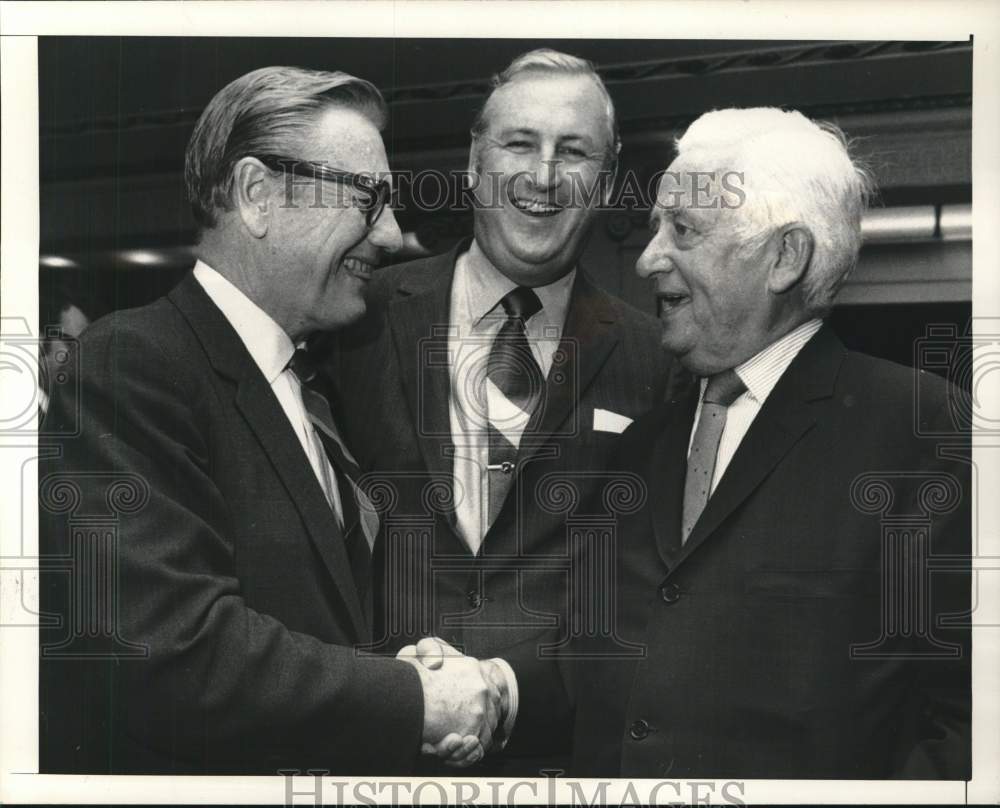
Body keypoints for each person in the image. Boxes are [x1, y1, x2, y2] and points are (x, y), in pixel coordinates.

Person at [457, 106, 970, 777]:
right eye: (653, 229)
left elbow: (968, 727)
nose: (646, 259)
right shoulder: (644, 443)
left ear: (784, 257)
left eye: (683, 231)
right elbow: (600, 657)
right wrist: (492, 687)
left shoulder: (923, 431)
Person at [38, 66, 501, 775]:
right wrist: (415, 699)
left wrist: (399, 668)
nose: (391, 233)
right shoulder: (132, 364)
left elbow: (312, 619)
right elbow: (173, 655)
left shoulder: (313, 384)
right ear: (258, 195)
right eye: (368, 199)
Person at [330, 49, 673, 773]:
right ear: (473, 163)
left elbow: (647, 593)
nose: (542, 176)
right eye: (519, 143)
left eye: (573, 152)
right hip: (374, 742)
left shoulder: (657, 359)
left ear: (605, 183)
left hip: (559, 753)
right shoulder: (358, 320)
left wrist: (513, 690)